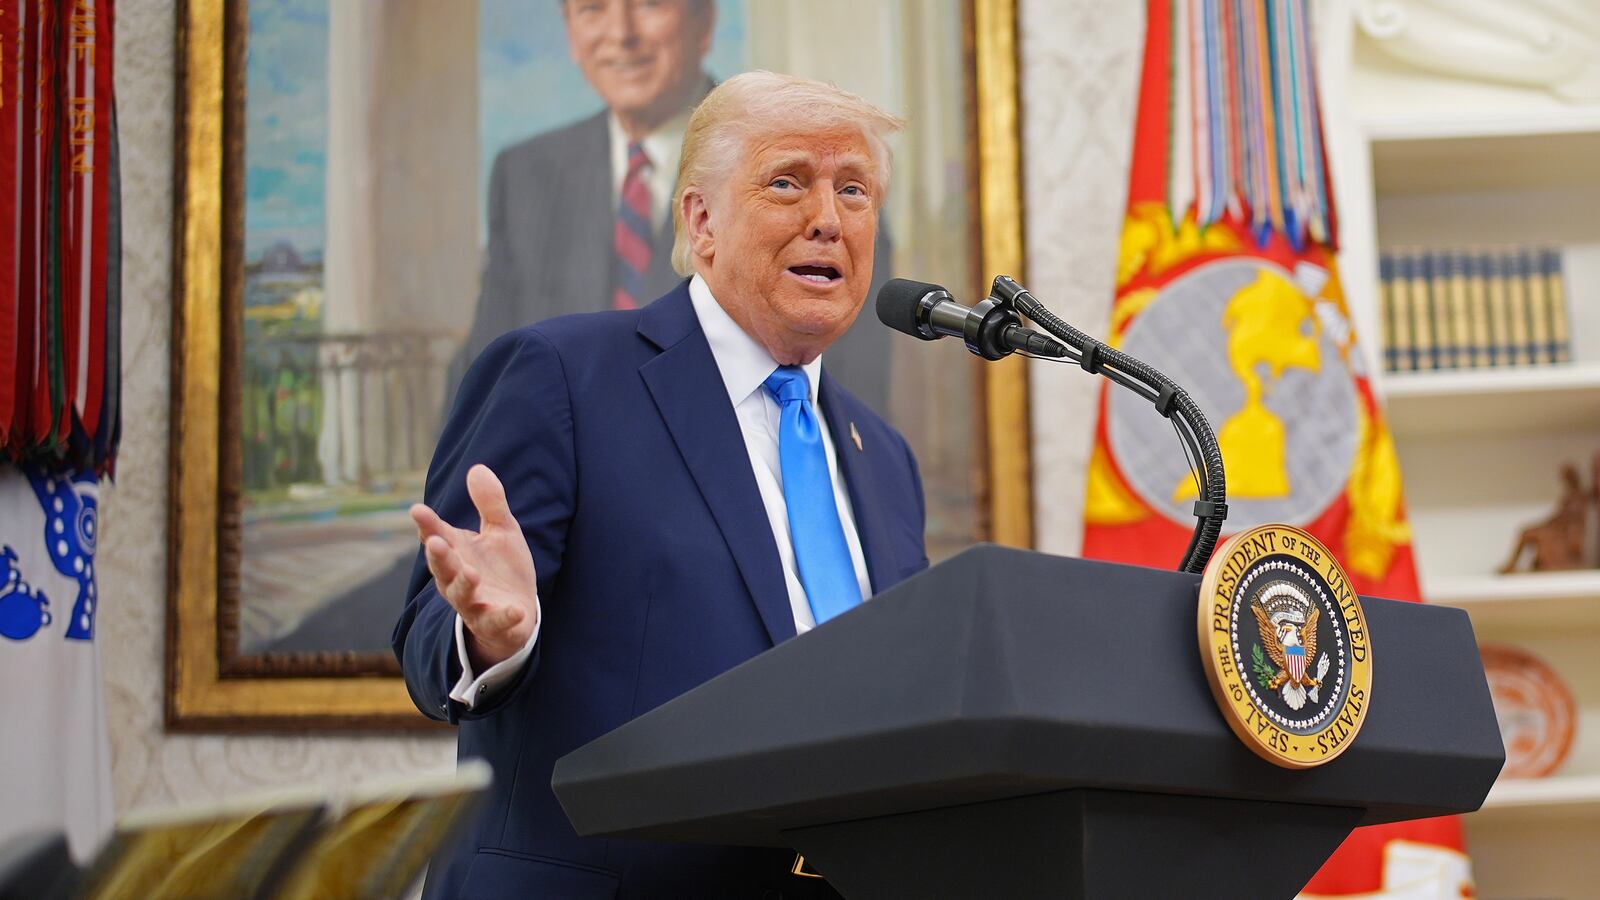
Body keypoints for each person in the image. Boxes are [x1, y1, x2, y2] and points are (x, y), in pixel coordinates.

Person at [394, 72, 929, 897]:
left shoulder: (883, 457)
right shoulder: (561, 376)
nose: (828, 217)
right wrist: (492, 637)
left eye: (853, 189)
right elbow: (431, 635)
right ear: (701, 219)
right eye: (788, 181)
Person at [460, 0, 894, 415]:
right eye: (593, 7)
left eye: (651, 4)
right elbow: (485, 375)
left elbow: (862, 386)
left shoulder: (883, 456)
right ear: (701, 220)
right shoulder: (523, 173)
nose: (622, 34)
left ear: (703, 22)